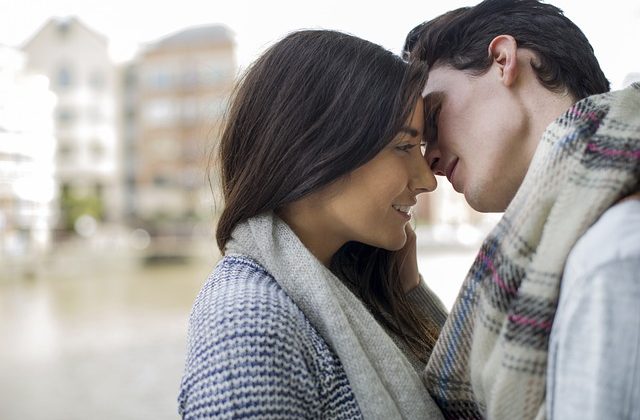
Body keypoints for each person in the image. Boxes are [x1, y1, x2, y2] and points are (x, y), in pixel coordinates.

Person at [178, 30, 448, 419]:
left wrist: (410, 293)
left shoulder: (354, 288)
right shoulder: (248, 326)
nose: (427, 180)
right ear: (317, 148)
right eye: (405, 147)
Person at [403, 0, 640, 419]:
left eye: (435, 119)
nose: (429, 163)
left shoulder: (614, 252)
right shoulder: (561, 249)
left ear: (502, 60)